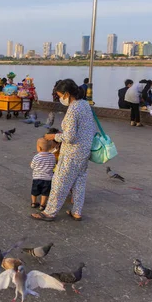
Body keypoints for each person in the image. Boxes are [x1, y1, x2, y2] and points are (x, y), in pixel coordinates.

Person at [32, 79, 96, 222]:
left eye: (60, 95)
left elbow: (70, 137)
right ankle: (77, 212)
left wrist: (53, 136)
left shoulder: (73, 109)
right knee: (79, 182)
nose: (60, 98)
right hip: (84, 151)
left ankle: (49, 212)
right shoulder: (85, 104)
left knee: (59, 182)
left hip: (71, 153)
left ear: (67, 94)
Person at [30, 138, 56, 211]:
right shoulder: (52, 156)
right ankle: (42, 205)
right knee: (45, 193)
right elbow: (53, 166)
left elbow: (32, 166)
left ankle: (33, 203)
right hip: (48, 178)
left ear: (39, 147)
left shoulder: (36, 157)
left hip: (37, 178)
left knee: (34, 191)